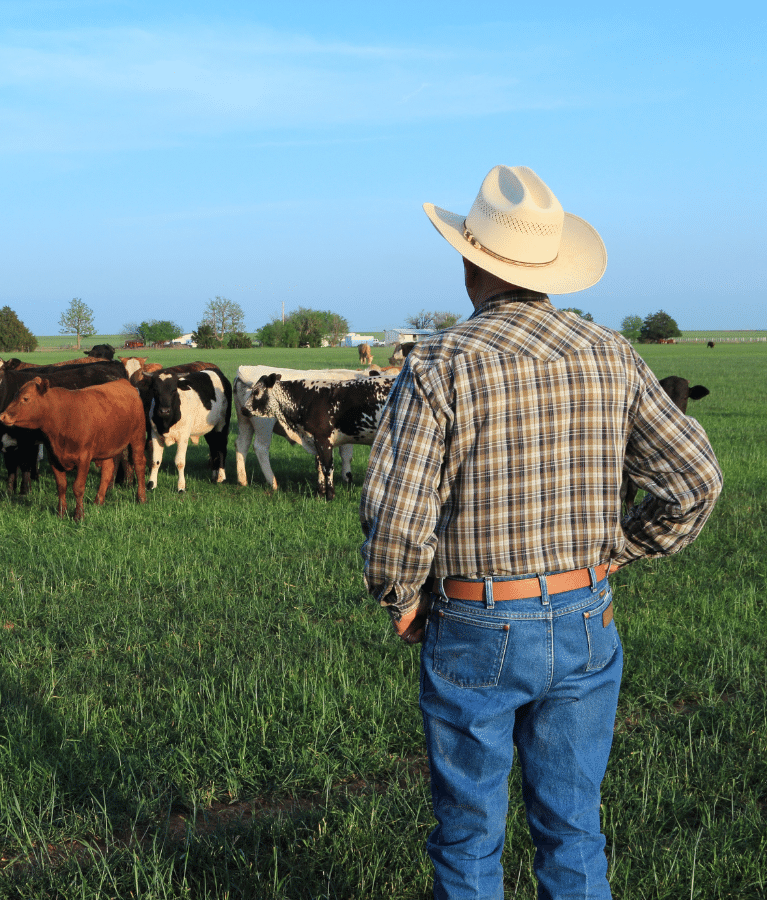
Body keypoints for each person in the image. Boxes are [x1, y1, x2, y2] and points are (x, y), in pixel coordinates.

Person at [359, 165, 722, 899]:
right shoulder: (611, 353)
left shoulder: (438, 363)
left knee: (468, 838)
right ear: (551, 268)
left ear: (470, 262)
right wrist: (621, 547)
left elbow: (397, 517)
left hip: (476, 620)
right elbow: (697, 481)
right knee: (574, 828)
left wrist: (399, 595)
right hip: (587, 614)